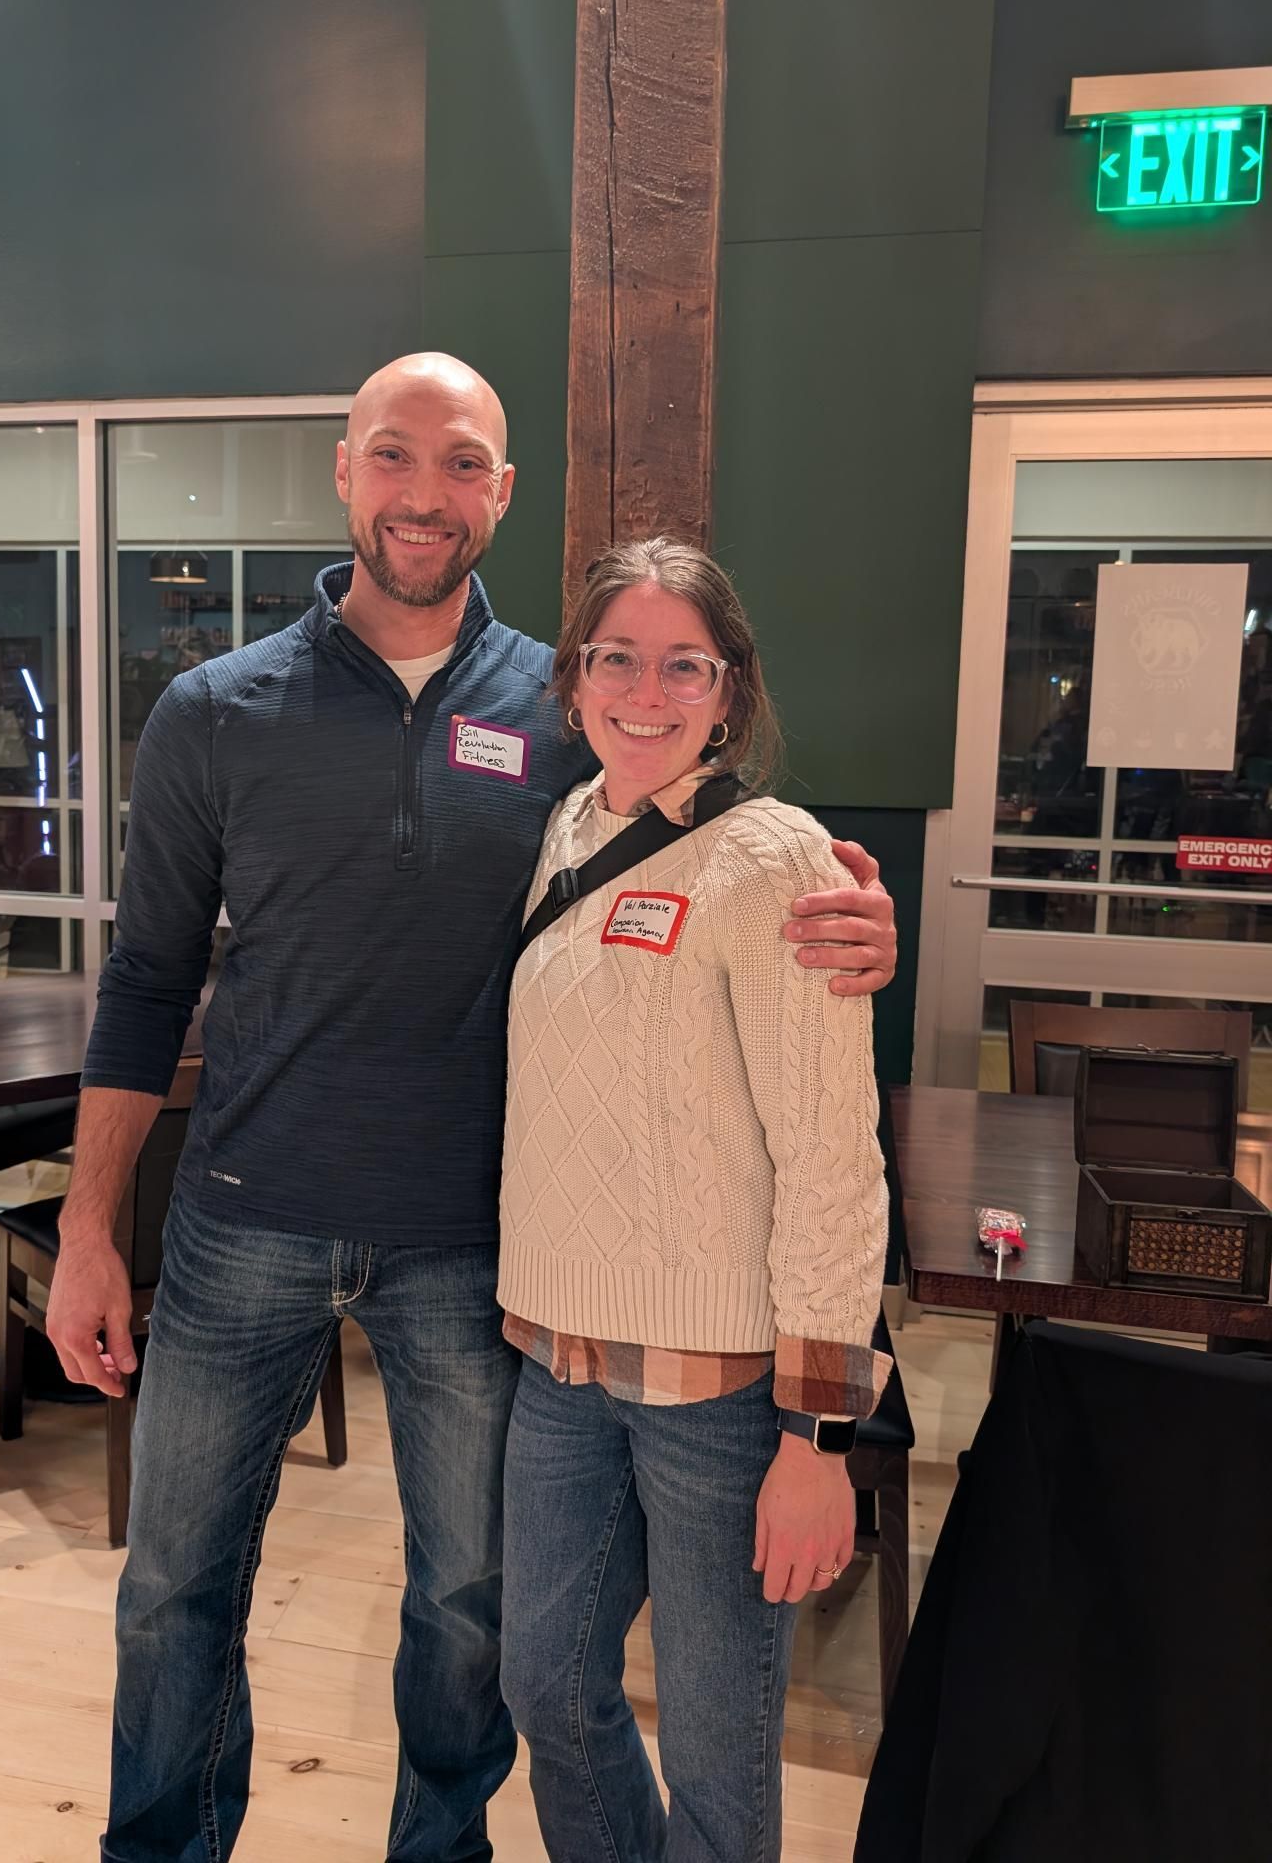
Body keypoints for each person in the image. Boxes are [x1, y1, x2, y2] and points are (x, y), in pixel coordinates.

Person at [45, 354, 899, 1863]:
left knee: (471, 1612)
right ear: (344, 470)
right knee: (173, 1584)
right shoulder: (212, 712)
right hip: (241, 1222)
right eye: (394, 456)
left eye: (459, 464)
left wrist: (848, 911)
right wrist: (88, 1228)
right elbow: (148, 978)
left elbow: (713, 839)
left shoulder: (570, 711)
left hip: (475, 1251)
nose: (423, 494)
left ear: (501, 492)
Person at [498, 537, 891, 1863]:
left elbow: (835, 1156)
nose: (647, 690)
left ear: (730, 692)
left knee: (721, 1762)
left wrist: (817, 1437)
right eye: (619, 657)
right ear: (575, 681)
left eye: (685, 665)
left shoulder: (777, 864)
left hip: (722, 1402)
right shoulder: (569, 825)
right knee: (547, 1686)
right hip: (557, 1364)